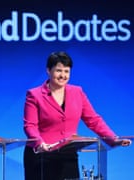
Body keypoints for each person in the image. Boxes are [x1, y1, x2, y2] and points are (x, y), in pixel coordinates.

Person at [23, 51, 131, 180]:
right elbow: (30, 125)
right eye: (58, 70)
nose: (63, 75)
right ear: (48, 70)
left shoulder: (77, 92)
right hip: (41, 154)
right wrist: (39, 143)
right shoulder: (34, 95)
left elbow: (93, 120)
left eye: (66, 71)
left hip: (68, 154)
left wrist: (113, 139)